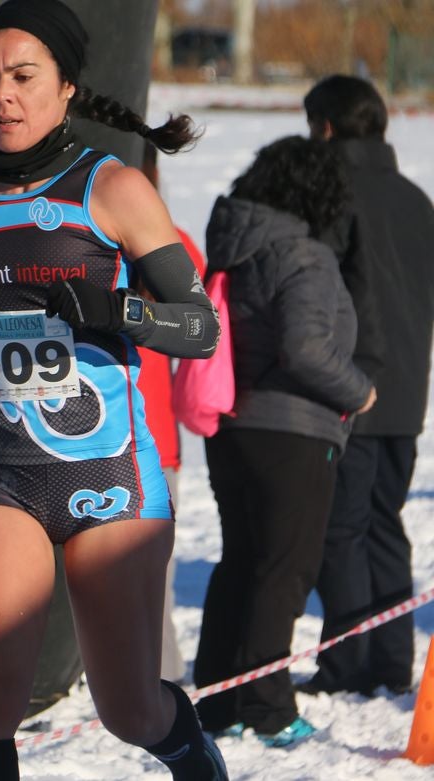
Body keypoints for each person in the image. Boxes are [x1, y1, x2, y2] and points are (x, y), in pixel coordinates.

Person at [0, 2, 226, 778]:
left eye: (21, 77)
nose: (1, 94)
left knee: (129, 708)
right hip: (2, 473)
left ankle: (192, 754)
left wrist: (117, 309)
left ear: (66, 86)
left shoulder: (112, 190)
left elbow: (200, 326)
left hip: (110, 475)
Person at [192, 135, 376, 747]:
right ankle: (268, 707)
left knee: (241, 561)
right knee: (285, 568)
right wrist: (359, 391)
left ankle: (218, 699)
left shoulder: (239, 244)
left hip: (233, 427)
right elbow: (305, 348)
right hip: (292, 433)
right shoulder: (303, 253)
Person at [300, 74, 434, 697]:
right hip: (407, 394)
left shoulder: (328, 197)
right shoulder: (416, 200)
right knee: (385, 524)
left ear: (325, 127)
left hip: (349, 389)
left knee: (341, 529)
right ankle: (390, 659)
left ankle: (347, 665)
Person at [136, 141, 207, 685]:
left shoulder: (71, 235)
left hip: (138, 435)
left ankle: (160, 676)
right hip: (157, 437)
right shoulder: (175, 242)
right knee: (148, 572)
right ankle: (161, 674)